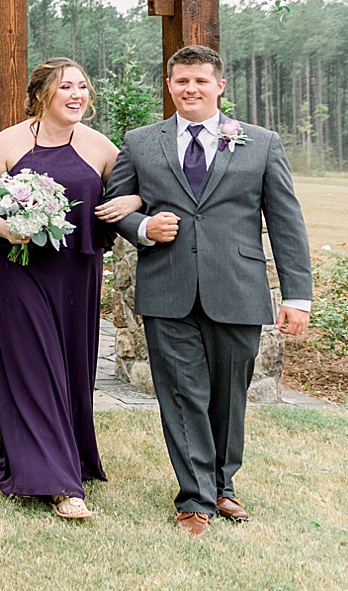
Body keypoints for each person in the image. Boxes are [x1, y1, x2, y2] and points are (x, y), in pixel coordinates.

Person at [104, 44, 312, 535]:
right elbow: (115, 204)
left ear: (220, 86)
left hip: (237, 289)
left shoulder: (261, 143)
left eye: (200, 81)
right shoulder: (141, 141)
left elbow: (286, 221)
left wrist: (297, 296)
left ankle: (223, 486)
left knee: (228, 396)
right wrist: (143, 226)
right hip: (167, 287)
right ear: (169, 86)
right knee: (181, 395)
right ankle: (194, 498)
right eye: (181, 81)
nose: (190, 89)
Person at [0, 59, 144, 518]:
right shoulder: (10, 142)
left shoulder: (100, 146)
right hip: (19, 269)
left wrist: (135, 199)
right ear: (42, 94)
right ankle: (60, 484)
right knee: (33, 364)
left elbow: (139, 188)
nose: (77, 94)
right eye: (66, 86)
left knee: (69, 367)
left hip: (77, 273)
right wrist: (6, 230)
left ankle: (35, 450)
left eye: (83, 86)